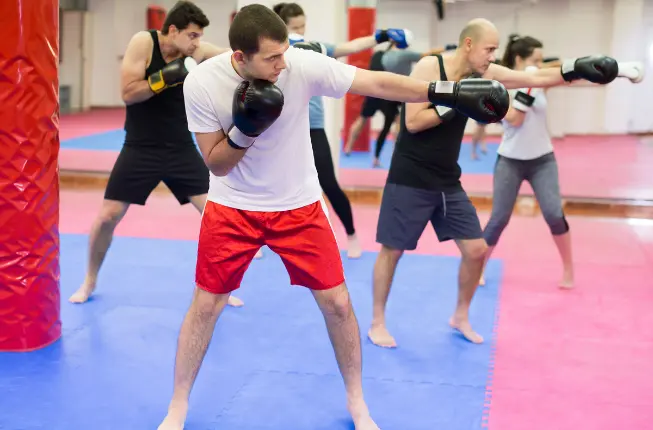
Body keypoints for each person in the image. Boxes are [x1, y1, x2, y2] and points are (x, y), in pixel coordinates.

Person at [156, 5, 509, 430]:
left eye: (284, 53)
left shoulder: (299, 64)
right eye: (271, 58)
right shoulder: (202, 82)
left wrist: (443, 92)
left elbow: (375, 81)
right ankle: (177, 406)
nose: (281, 64)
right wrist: (246, 130)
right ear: (240, 57)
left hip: (298, 207)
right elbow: (216, 163)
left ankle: (357, 401)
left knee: (339, 304)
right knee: (206, 305)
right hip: (232, 206)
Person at [368, 17, 625, 348]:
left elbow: (535, 77)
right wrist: (458, 101)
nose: (493, 56)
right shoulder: (431, 67)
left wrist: (578, 69)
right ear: (469, 44)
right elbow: (414, 122)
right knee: (393, 250)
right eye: (489, 49)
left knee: (476, 251)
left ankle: (460, 315)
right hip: (410, 175)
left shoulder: (483, 74)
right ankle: (377, 321)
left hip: (447, 179)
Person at [68, 1, 248, 308]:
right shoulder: (144, 42)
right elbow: (128, 93)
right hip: (140, 147)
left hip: (181, 147)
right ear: (173, 30)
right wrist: (165, 76)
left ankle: (222, 286)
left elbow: (237, 61)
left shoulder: (197, 51)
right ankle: (90, 279)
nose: (196, 43)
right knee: (108, 216)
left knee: (215, 217)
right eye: (191, 36)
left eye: (199, 37)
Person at [273, 1, 414, 258]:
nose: (300, 31)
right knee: (271, 186)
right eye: (295, 27)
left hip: (312, 128)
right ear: (281, 27)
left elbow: (348, 47)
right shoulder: (271, 52)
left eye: (303, 26)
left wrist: (379, 36)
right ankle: (259, 240)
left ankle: (351, 235)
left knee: (328, 183)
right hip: (278, 130)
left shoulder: (313, 48)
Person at [480, 34, 573, 288]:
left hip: (542, 158)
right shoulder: (501, 85)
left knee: (554, 213)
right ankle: (478, 268)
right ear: (519, 60)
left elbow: (564, 73)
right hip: (510, 159)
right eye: (535, 60)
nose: (539, 65)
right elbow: (515, 120)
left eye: (542, 60)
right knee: (499, 218)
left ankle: (568, 269)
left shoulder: (538, 81)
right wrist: (512, 106)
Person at [343, 42, 447, 165]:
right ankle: (394, 154)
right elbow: (427, 54)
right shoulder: (402, 54)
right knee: (394, 122)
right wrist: (445, 48)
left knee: (363, 119)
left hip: (372, 93)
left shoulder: (379, 55)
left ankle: (348, 147)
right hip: (386, 95)